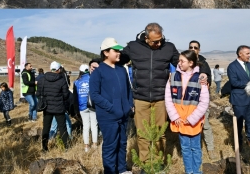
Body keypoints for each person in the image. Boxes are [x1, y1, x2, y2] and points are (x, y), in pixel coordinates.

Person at [122, 23, 180, 160]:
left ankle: (158, 162)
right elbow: (117, 60)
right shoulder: (133, 46)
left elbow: (184, 63)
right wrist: (96, 63)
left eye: (161, 39)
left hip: (161, 98)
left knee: (160, 133)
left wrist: (202, 72)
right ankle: (146, 163)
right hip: (140, 98)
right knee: (142, 134)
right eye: (155, 41)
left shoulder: (169, 47)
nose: (159, 43)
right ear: (146, 37)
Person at [90, 37, 134, 174]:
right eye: (115, 50)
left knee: (122, 143)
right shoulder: (98, 72)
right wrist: (112, 108)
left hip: (123, 115)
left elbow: (128, 89)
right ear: (106, 52)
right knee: (110, 146)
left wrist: (129, 106)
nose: (118, 52)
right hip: (108, 117)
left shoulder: (121, 70)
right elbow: (95, 95)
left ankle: (122, 169)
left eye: (119, 50)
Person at [165, 49, 209, 174]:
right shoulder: (172, 77)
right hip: (179, 120)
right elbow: (168, 99)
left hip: (193, 121)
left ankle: (197, 171)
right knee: (185, 147)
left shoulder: (200, 79)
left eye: (182, 61)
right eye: (179, 60)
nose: (179, 63)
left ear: (190, 63)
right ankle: (189, 171)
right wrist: (174, 116)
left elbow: (204, 102)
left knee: (195, 147)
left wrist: (192, 118)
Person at [189, 40, 216, 158]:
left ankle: (210, 149)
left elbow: (207, 79)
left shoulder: (203, 63)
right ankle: (192, 149)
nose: (193, 49)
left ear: (199, 50)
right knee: (190, 124)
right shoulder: (185, 62)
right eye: (191, 47)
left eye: (195, 47)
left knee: (205, 124)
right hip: (188, 100)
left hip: (201, 99)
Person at [227, 45, 250, 147]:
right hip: (239, 99)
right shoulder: (232, 66)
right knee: (239, 123)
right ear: (240, 54)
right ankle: (238, 143)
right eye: (247, 53)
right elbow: (234, 82)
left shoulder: (249, 65)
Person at [38, 61, 71, 151]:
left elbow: (38, 93)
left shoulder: (42, 80)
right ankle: (66, 147)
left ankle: (44, 148)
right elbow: (66, 95)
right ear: (59, 69)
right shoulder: (61, 80)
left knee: (46, 128)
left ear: (50, 69)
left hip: (47, 108)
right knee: (62, 128)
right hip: (59, 107)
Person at [73, 63, 98, 152]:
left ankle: (86, 146)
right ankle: (95, 144)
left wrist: (76, 110)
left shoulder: (76, 82)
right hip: (93, 106)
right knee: (94, 125)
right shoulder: (93, 79)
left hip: (82, 107)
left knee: (86, 126)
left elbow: (75, 98)